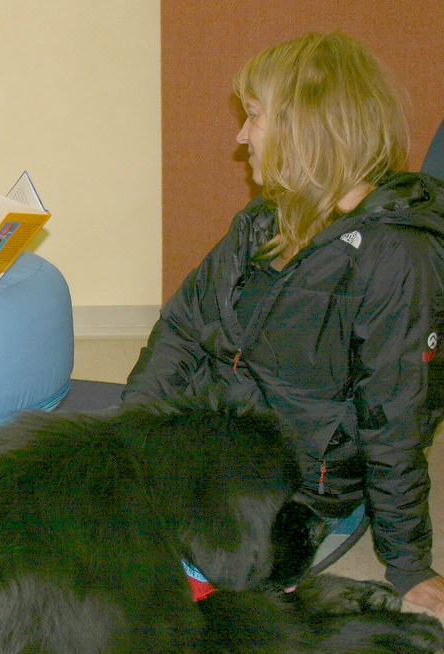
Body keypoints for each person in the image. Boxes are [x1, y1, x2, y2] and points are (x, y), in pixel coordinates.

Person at [122, 31, 444, 619]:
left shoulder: (396, 258)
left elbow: (395, 419)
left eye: (253, 116)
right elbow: (182, 328)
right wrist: (132, 433)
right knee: (72, 501)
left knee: (170, 586)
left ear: (306, 127)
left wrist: (407, 562)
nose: (241, 136)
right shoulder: (263, 219)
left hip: (298, 479)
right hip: (218, 430)